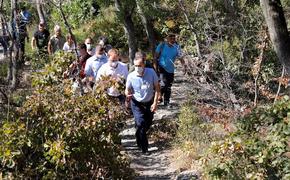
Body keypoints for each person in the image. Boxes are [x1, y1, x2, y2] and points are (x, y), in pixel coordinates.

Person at [125, 55, 160, 154]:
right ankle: (144, 148)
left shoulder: (151, 72)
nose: (137, 68)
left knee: (147, 124)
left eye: (139, 65)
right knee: (141, 123)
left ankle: (138, 134)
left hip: (149, 102)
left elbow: (157, 88)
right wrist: (127, 94)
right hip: (136, 103)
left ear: (144, 64)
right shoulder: (131, 76)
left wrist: (155, 103)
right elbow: (127, 89)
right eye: (135, 65)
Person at [153, 33, 182, 106]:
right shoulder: (162, 45)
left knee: (169, 86)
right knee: (163, 84)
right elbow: (155, 57)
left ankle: (166, 101)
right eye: (170, 38)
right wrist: (155, 68)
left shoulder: (177, 47)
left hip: (171, 69)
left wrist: (184, 66)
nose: (172, 40)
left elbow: (180, 57)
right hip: (161, 67)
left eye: (174, 38)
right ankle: (158, 96)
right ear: (167, 38)